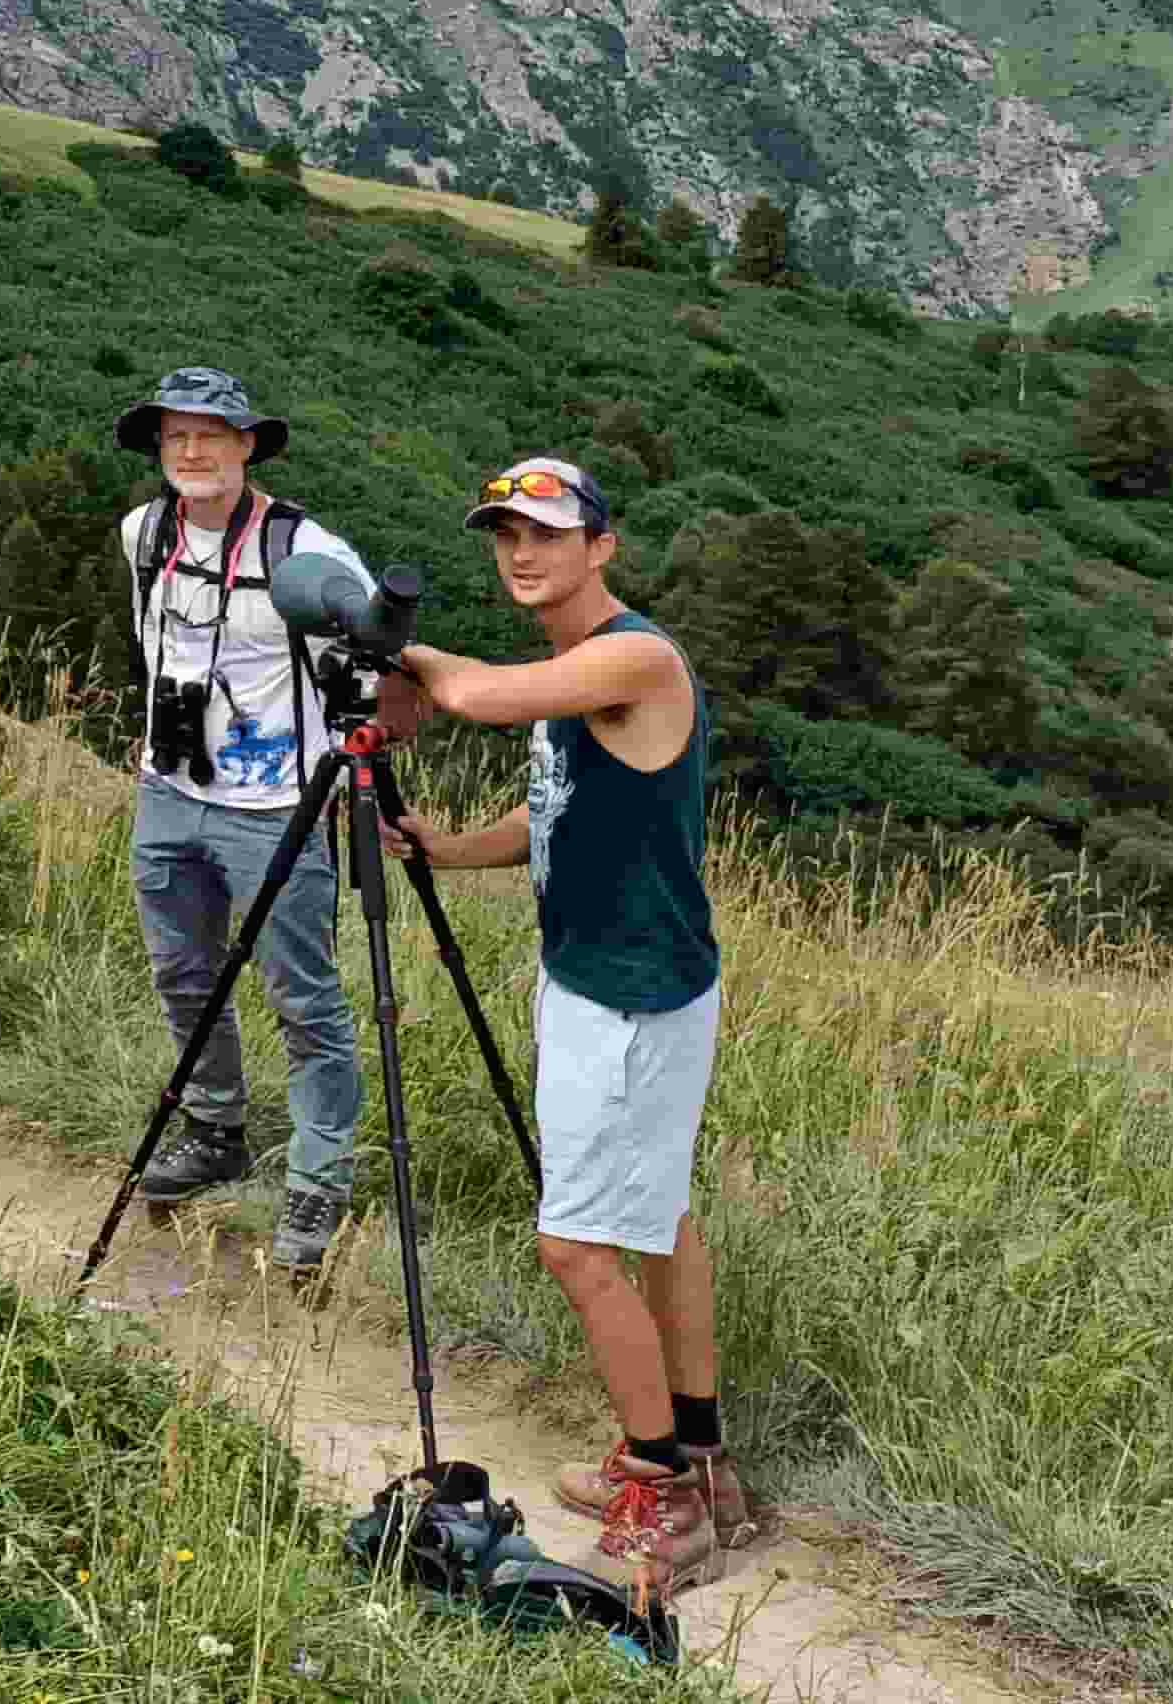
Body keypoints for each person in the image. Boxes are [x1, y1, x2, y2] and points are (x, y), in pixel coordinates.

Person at [378, 455, 745, 1606]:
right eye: (505, 536)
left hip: (629, 997)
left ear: (602, 545)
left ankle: (661, 1497)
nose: (521, 553)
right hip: (614, 980)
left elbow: (480, 700)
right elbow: (550, 815)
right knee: (655, 1227)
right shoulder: (577, 674)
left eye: (545, 533)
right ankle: (701, 1458)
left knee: (576, 1245)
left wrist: (407, 656)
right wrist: (444, 849)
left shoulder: (634, 657)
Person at [110, 366, 372, 1278]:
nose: (192, 450)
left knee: (306, 1001)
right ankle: (216, 1126)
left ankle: (318, 1177)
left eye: (212, 434)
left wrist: (352, 768)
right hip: (169, 790)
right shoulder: (144, 535)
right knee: (183, 976)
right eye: (175, 435)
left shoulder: (308, 550)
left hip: (277, 811)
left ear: (247, 443)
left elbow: (374, 667)